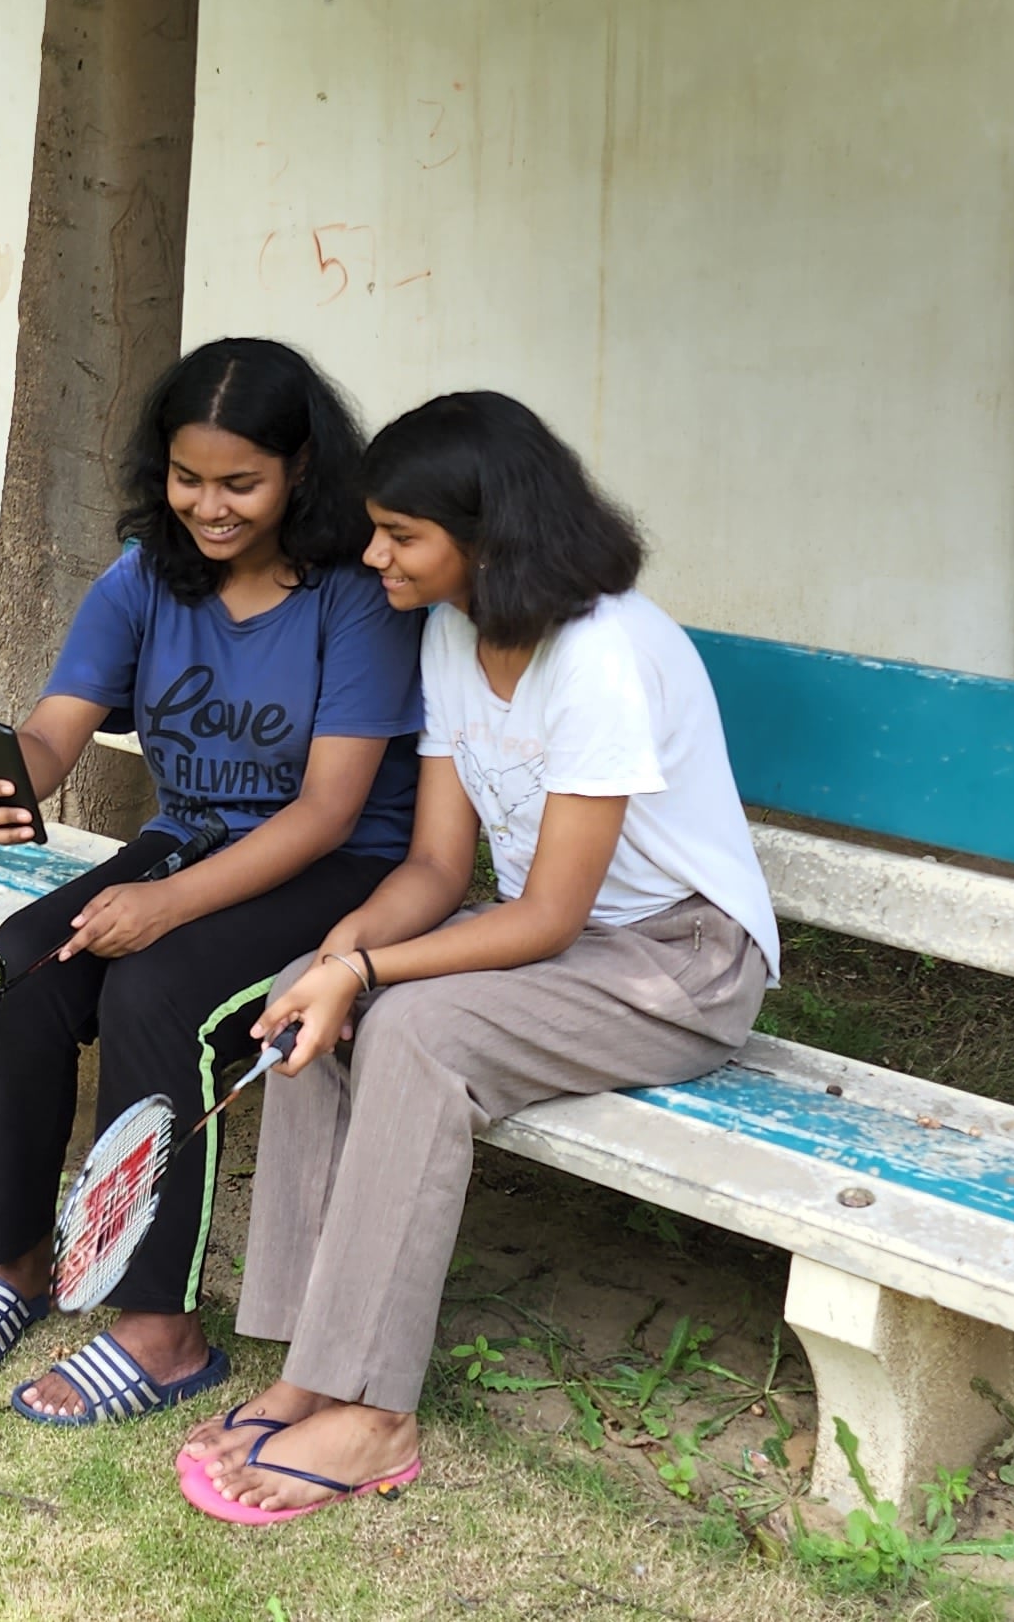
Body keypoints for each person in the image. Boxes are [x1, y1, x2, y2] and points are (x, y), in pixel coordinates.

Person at [176, 390, 780, 1523]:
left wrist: (372, 975)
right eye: (376, 528)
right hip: (572, 951)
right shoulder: (455, 632)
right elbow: (438, 868)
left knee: (412, 1025)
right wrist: (343, 950)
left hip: (683, 962)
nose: (373, 554)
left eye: (401, 535)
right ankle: (314, 1364)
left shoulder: (599, 655)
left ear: (488, 536)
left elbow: (548, 912)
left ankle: (377, 1410)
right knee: (312, 994)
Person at [0, 338, 422, 1428]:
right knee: (22, 966)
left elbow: (333, 808)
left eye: (240, 482)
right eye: (188, 479)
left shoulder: (356, 596)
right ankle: (17, 1260)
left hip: (334, 869)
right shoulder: (147, 573)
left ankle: (160, 1327)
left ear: (300, 469)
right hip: (191, 839)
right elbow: (62, 717)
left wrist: (166, 904)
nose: (210, 505)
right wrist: (6, 775)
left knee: (159, 995)